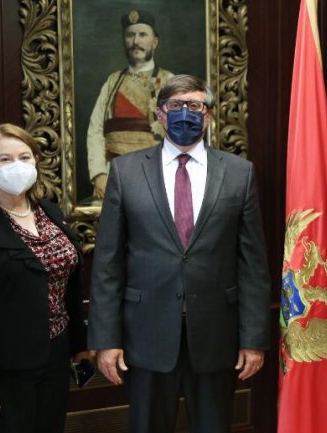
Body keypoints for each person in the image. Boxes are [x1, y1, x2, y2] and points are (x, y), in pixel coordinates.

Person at [88, 74, 271, 433]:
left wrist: (253, 339)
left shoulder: (240, 173)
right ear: (159, 114)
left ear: (209, 115)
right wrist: (105, 340)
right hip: (145, 335)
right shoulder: (125, 171)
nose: (185, 113)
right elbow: (108, 263)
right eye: (175, 105)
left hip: (216, 336)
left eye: (195, 106)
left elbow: (253, 266)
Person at [0, 123, 92, 432]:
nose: (17, 166)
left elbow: (69, 286)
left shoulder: (51, 213)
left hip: (56, 358)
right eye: (5, 159)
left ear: (36, 161)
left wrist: (80, 347)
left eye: (24, 157)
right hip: (5, 369)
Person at [87, 7, 174, 199]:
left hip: (158, 177)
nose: (136, 41)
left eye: (143, 35)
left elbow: (181, 135)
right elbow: (95, 130)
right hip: (114, 176)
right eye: (130, 35)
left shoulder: (170, 82)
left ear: (155, 41)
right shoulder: (112, 82)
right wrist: (99, 174)